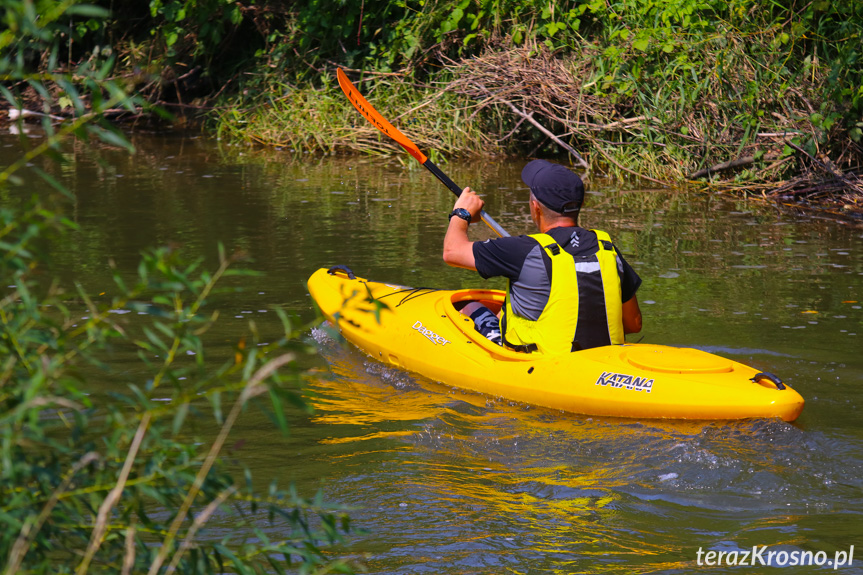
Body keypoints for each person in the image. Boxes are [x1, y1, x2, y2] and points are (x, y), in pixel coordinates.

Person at [443, 159, 642, 354]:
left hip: (543, 367)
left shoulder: (523, 249)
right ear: (581, 203)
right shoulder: (607, 248)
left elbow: (452, 252)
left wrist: (461, 213)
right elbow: (633, 324)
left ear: (535, 206)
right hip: (600, 363)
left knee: (469, 306)